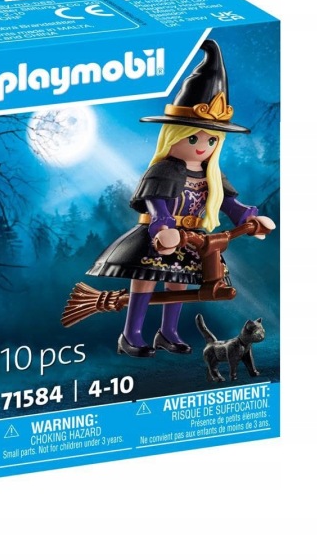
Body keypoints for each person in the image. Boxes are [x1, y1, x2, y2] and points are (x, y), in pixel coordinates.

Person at [86, 39, 273, 358]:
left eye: (212, 140)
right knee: (145, 279)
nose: (202, 146)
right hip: (158, 235)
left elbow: (228, 203)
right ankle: (131, 334)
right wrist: (163, 225)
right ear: (174, 135)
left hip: (192, 238)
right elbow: (155, 200)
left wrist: (248, 218)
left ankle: (167, 332)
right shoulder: (164, 169)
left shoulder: (212, 174)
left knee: (178, 283)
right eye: (193, 137)